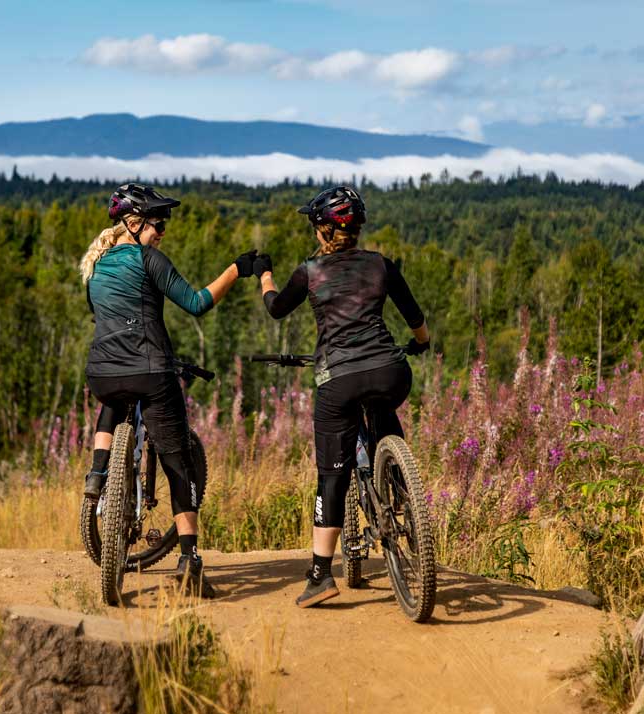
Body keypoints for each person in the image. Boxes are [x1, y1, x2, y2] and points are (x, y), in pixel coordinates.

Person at [254, 186, 430, 607]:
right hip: (391, 371)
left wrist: (264, 276)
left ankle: (320, 576)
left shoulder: (310, 271)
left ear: (321, 230)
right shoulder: (381, 265)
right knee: (383, 410)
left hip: (340, 379)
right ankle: (403, 490)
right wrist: (421, 344)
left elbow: (276, 308)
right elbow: (416, 320)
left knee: (331, 474)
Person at [80, 182, 258, 598]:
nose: (162, 231)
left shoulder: (96, 267)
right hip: (151, 371)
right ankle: (189, 560)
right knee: (178, 461)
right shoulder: (148, 260)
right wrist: (236, 269)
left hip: (102, 372)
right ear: (134, 223)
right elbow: (196, 303)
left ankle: (99, 471)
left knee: (113, 400)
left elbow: (103, 320)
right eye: (157, 224)